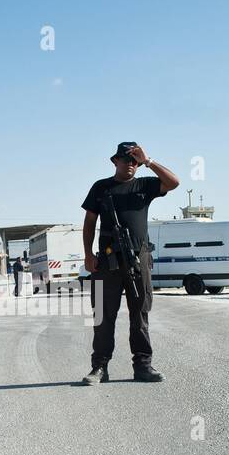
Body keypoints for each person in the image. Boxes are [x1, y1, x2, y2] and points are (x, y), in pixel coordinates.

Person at [80, 141, 180, 384]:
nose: (132, 165)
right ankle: (99, 368)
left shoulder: (145, 185)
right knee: (103, 316)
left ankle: (143, 366)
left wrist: (149, 161)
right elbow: (90, 222)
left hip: (138, 259)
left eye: (135, 161)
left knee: (140, 315)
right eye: (127, 160)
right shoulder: (101, 188)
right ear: (115, 161)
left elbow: (174, 183)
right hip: (106, 260)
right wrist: (88, 254)